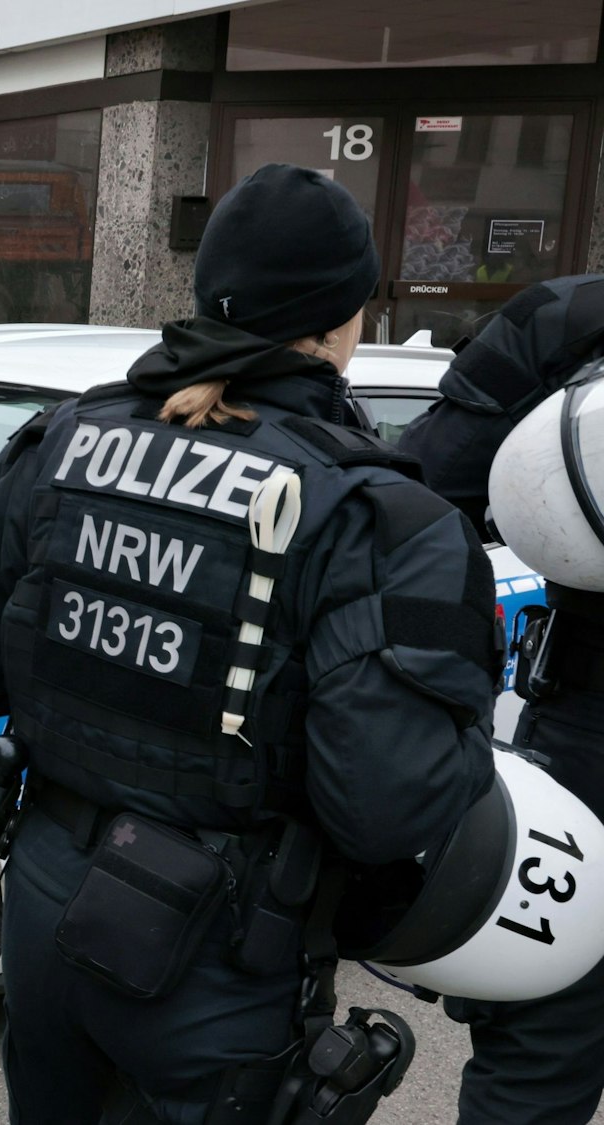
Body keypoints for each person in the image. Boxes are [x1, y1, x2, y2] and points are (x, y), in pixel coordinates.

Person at [0, 163, 500, 1123]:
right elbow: (384, 809)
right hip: (222, 957)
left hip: (44, 905)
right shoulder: (375, 516)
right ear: (335, 323)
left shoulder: (61, 439)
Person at [397, 275, 604, 1125]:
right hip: (585, 728)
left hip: (584, 742)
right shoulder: (568, 318)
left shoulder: (568, 316)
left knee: (540, 1045)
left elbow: (419, 494)